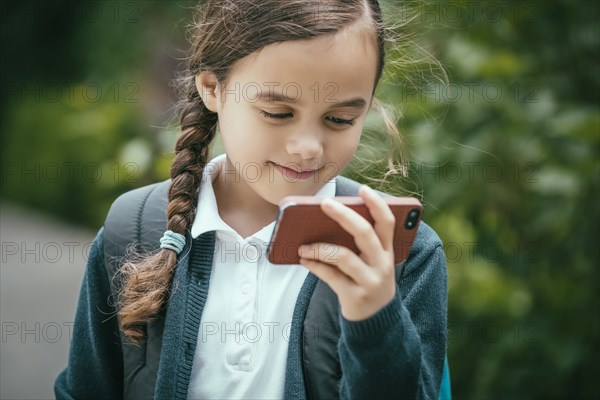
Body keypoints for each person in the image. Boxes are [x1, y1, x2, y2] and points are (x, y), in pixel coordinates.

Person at [55, 0, 448, 399]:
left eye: (340, 119)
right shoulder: (135, 227)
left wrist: (375, 319)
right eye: (277, 112)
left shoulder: (400, 254)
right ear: (212, 88)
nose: (307, 147)